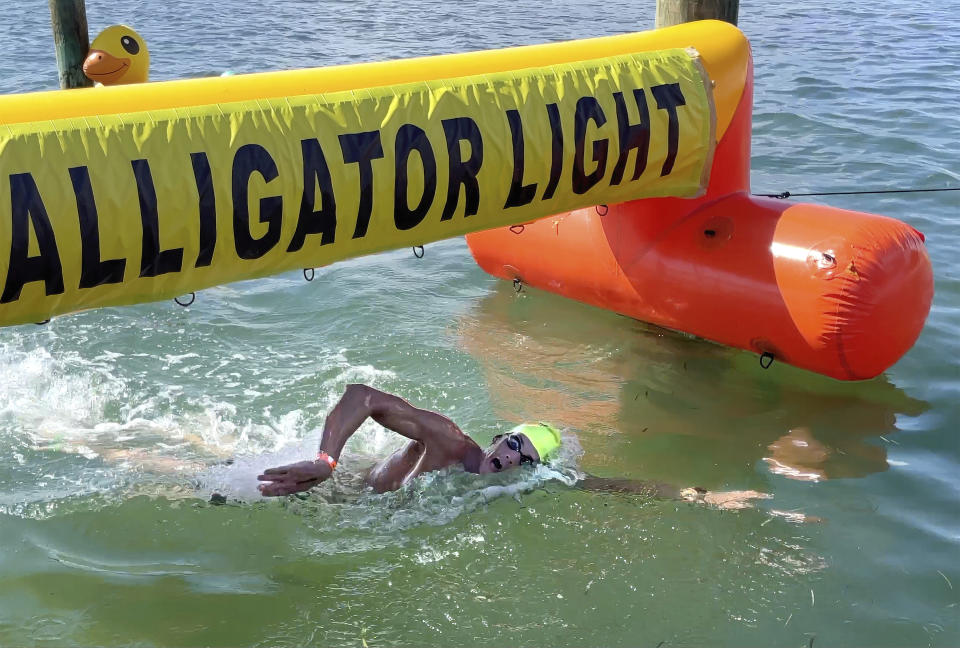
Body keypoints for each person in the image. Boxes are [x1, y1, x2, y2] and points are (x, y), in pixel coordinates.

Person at [257, 384, 770, 509]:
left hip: (357, 505)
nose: (511, 459)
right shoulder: (453, 442)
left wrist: (701, 496)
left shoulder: (525, 478)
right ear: (501, 437)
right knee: (200, 480)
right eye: (513, 445)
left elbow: (612, 486)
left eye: (525, 458)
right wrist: (326, 462)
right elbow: (362, 395)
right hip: (336, 488)